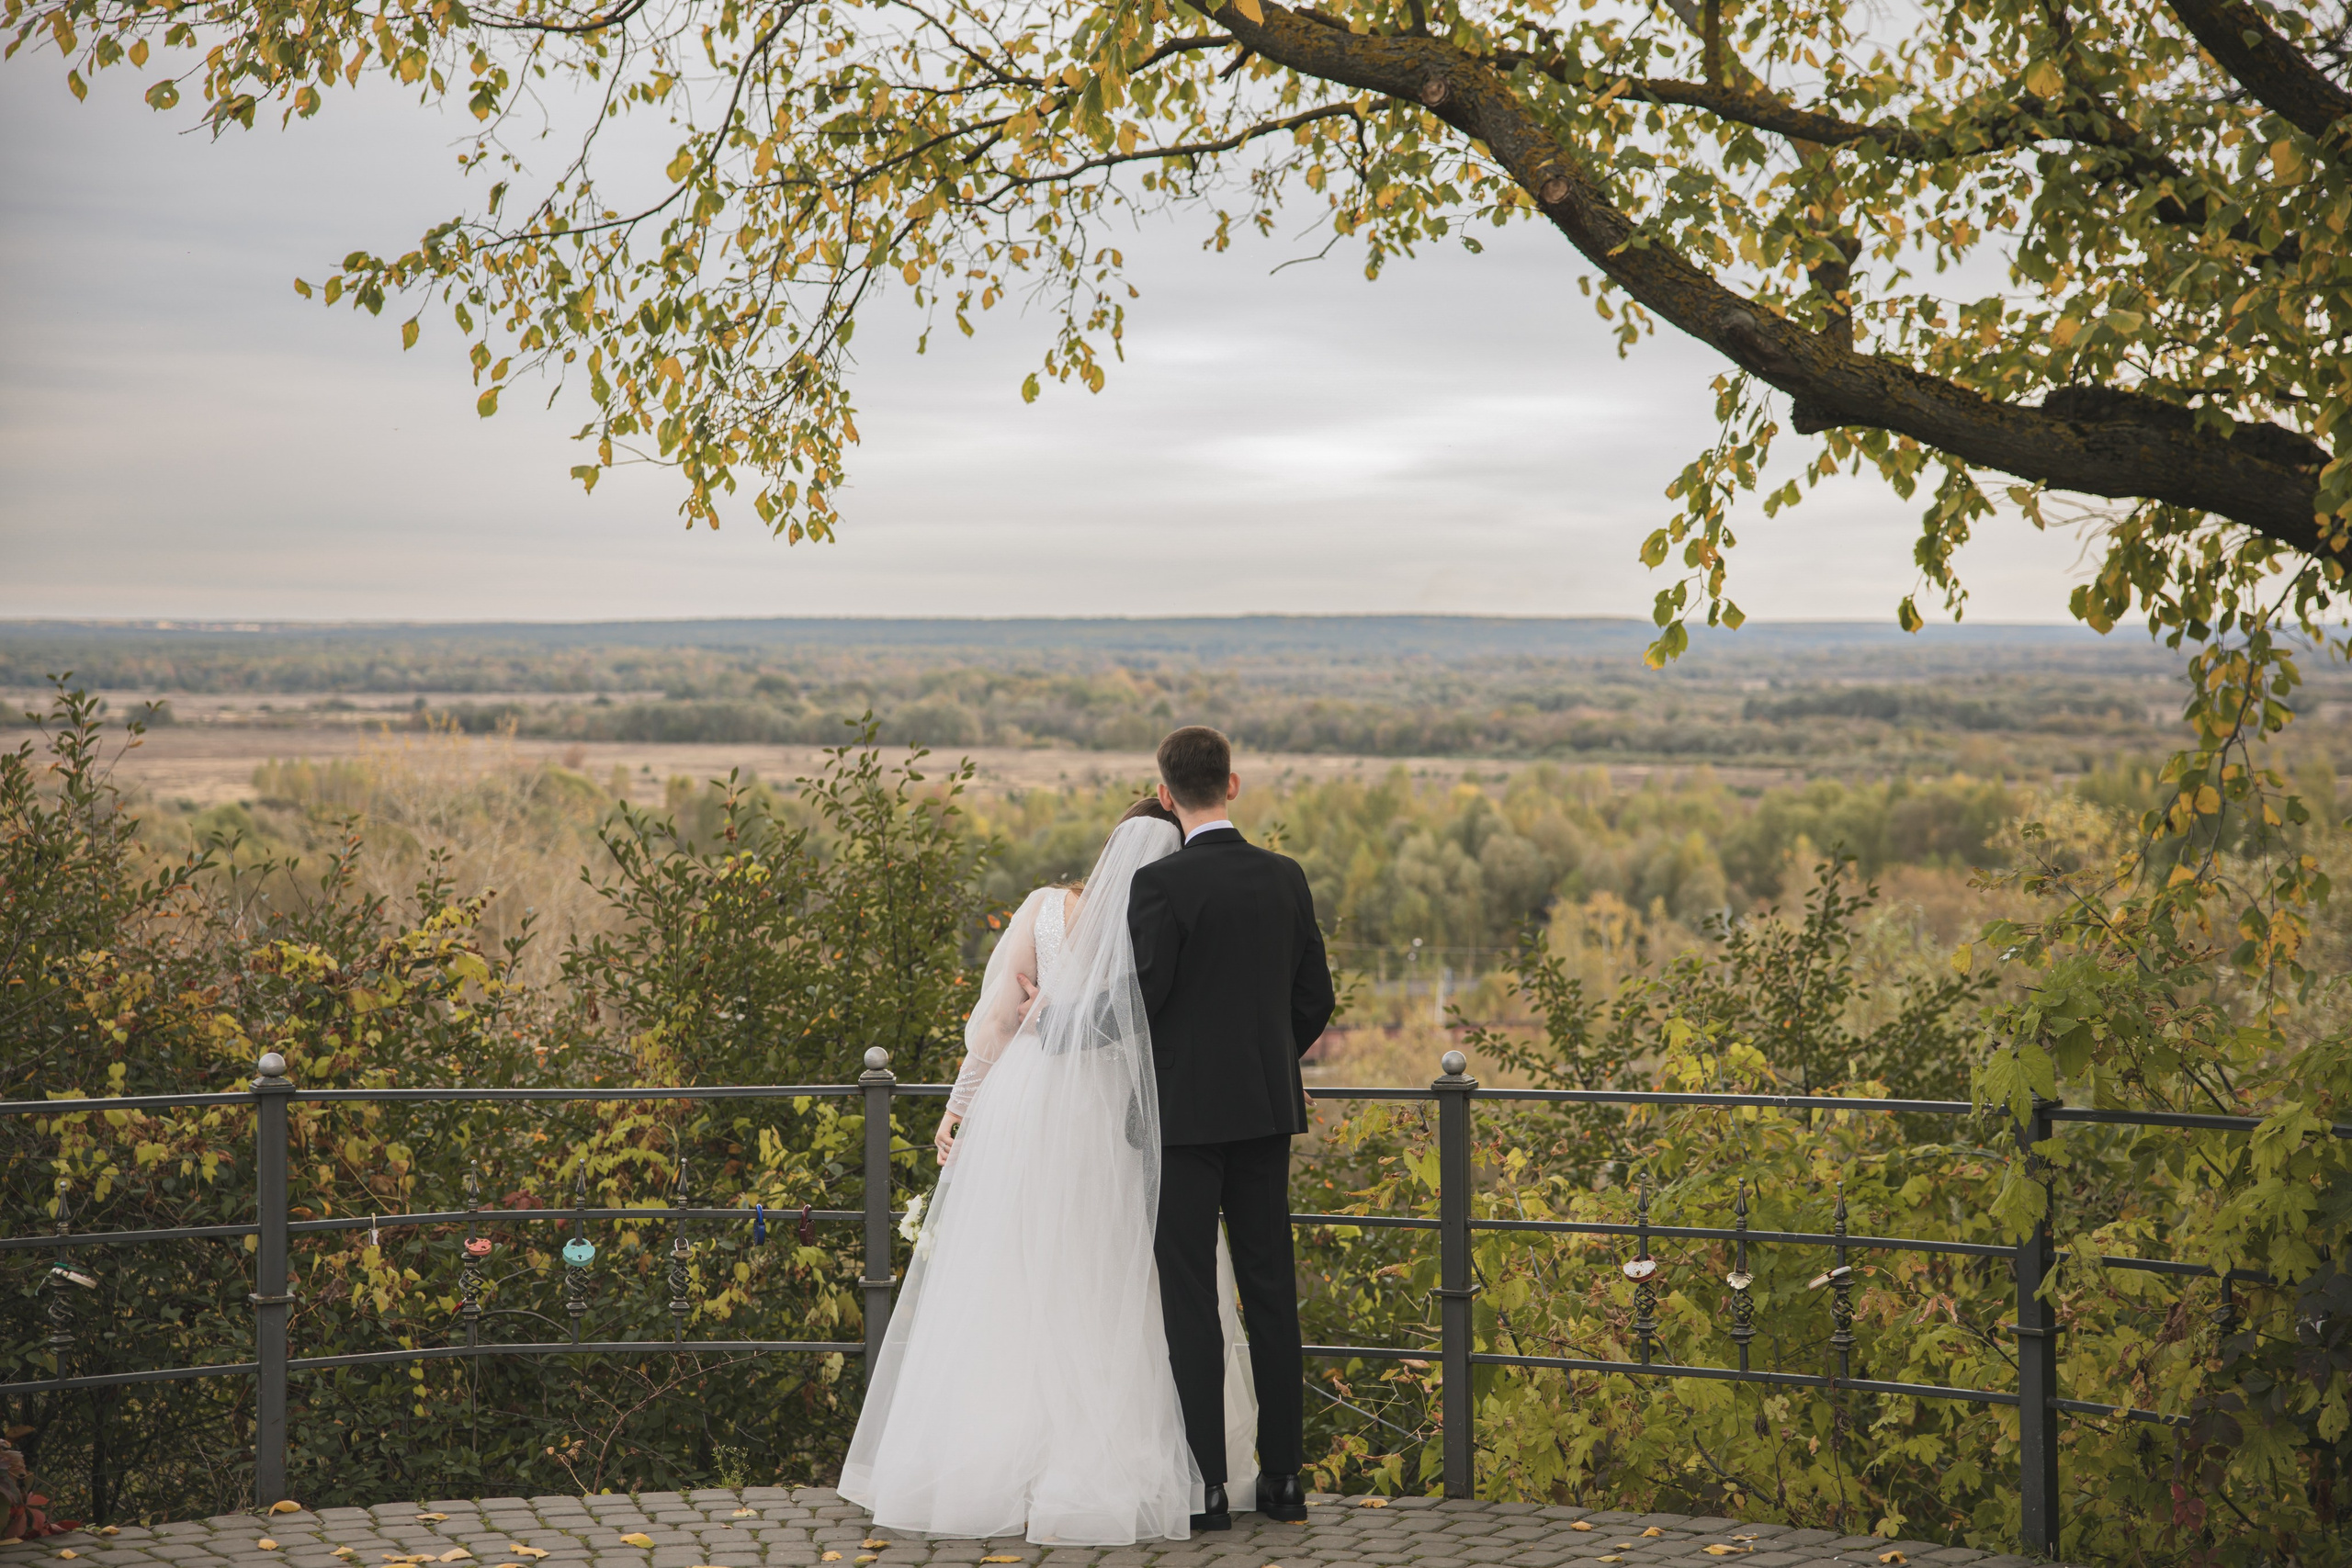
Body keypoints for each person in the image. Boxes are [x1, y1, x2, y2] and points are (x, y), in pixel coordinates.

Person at [842, 798, 1256, 1544]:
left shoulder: (1043, 907)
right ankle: (1130, 1458)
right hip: (1116, 1115)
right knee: (1114, 1274)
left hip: (1030, 1105)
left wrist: (961, 1107)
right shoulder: (1160, 923)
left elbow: (995, 1023)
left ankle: (994, 1458)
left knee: (1014, 1271)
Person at [1128, 725, 1336, 1530]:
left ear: (1168, 793)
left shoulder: (1162, 886)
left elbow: (1143, 1002)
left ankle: (1208, 1487)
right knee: (1271, 1291)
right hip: (1262, 1113)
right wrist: (1264, 1058)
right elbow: (1315, 997)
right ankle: (1284, 1483)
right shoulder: (1286, 878)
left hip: (1181, 1120)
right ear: (1234, 785)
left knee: (1190, 1300)